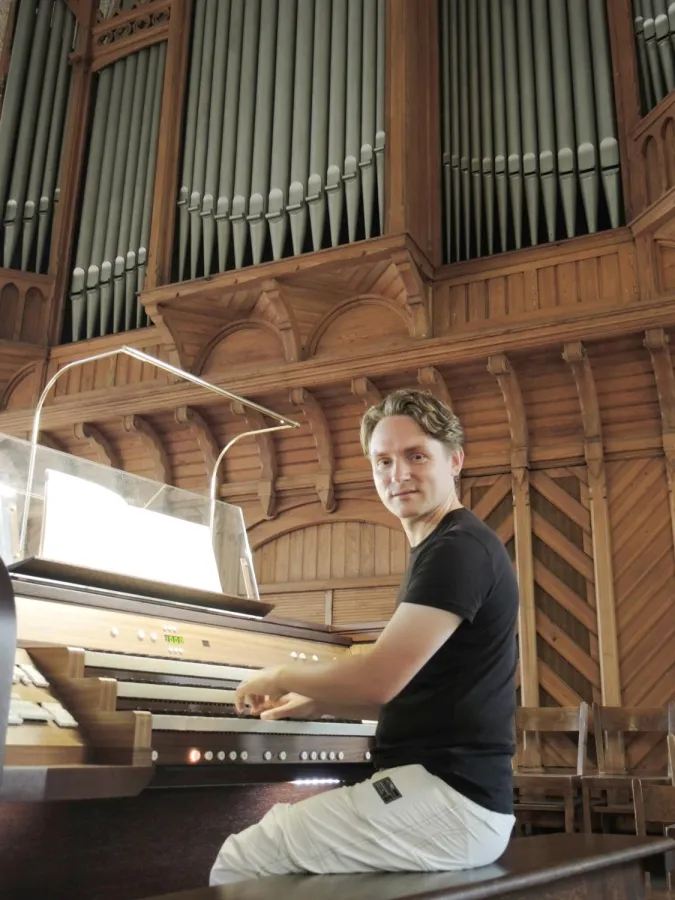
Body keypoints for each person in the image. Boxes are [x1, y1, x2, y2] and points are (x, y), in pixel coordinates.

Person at [210, 389, 519, 885]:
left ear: (455, 459)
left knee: (246, 857)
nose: (398, 474)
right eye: (383, 461)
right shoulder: (444, 545)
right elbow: (423, 694)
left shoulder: (456, 550)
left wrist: (280, 673)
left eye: (416, 455)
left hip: (451, 799)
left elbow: (379, 681)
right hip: (445, 793)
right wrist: (317, 700)